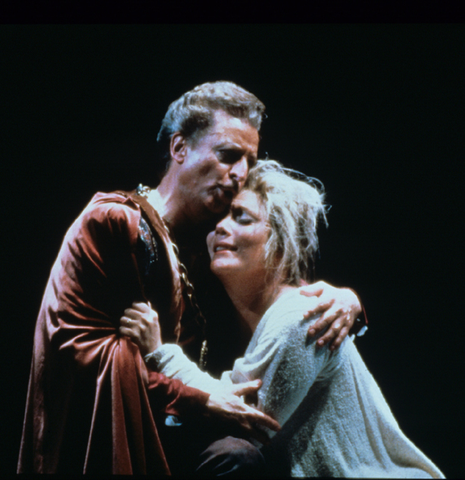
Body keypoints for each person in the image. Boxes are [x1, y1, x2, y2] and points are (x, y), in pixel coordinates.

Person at [17, 81, 365, 475]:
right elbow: (76, 355)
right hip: (116, 440)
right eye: (228, 155)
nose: (240, 173)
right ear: (179, 148)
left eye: (249, 161)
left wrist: (348, 301)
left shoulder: (207, 245)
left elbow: (277, 295)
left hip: (177, 430)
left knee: (243, 454)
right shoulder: (117, 223)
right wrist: (196, 399)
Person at [123, 160, 444, 478]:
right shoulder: (228, 319)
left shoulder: (301, 315)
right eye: (220, 218)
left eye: (241, 218)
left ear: (281, 243)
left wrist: (161, 353)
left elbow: (244, 417)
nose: (220, 227)